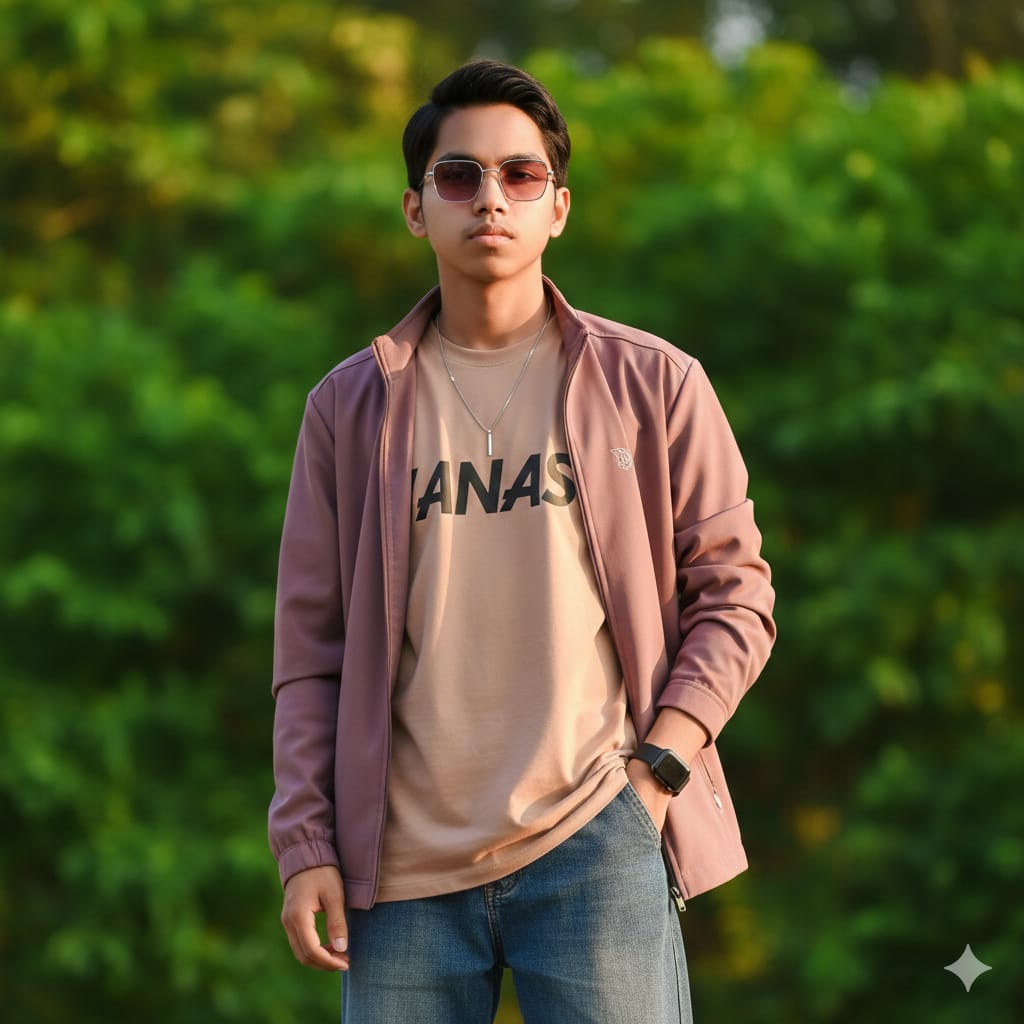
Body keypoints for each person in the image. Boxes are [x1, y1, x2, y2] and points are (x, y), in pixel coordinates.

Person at [269, 58, 776, 1023]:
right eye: (458, 176)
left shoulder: (653, 385)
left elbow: (738, 597)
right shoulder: (348, 409)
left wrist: (659, 771)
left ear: (559, 207)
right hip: (400, 873)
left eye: (521, 174)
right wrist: (306, 844)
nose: (490, 198)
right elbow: (309, 654)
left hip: (598, 840)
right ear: (417, 209)